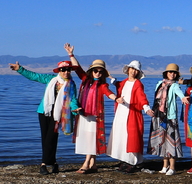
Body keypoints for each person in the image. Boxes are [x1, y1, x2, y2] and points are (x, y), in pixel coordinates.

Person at [10, 45, 79, 175]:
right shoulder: (50, 79)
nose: (66, 72)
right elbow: (34, 76)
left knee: (51, 138)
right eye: (63, 70)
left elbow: (73, 99)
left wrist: (75, 108)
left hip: (58, 114)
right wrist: (20, 69)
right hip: (44, 112)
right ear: (59, 71)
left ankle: (43, 164)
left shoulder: (71, 84)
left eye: (68, 70)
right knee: (45, 137)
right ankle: (53, 164)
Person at [65, 46, 118, 174]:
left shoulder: (102, 85)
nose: (98, 73)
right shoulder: (85, 80)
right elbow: (77, 69)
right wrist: (71, 55)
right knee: (88, 138)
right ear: (92, 71)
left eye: (100, 72)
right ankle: (93, 164)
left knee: (91, 138)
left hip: (95, 116)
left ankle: (86, 163)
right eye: (96, 71)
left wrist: (117, 99)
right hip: (83, 113)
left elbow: (108, 93)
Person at [109, 60, 154, 173]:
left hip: (132, 113)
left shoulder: (138, 84)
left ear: (138, 72)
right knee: (122, 136)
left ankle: (133, 162)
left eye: (135, 70)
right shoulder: (124, 82)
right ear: (128, 69)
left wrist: (146, 107)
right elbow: (119, 86)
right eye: (132, 69)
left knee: (132, 137)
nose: (133, 71)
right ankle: (124, 159)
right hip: (121, 112)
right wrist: (113, 80)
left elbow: (141, 96)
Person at [150, 63, 190, 176]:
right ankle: (164, 165)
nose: (172, 74)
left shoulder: (175, 86)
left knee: (172, 142)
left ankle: (172, 167)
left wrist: (183, 98)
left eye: (174, 72)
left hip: (170, 117)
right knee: (162, 141)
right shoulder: (159, 84)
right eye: (170, 72)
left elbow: (179, 93)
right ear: (166, 73)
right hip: (159, 116)